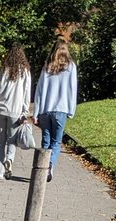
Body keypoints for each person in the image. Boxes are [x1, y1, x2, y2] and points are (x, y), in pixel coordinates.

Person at [0, 44, 31, 180]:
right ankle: (9, 159)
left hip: (1, 111)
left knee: (0, 142)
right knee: (12, 140)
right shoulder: (25, 72)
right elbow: (27, 94)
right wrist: (25, 112)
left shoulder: (4, 70)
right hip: (15, 111)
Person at [33, 40, 78, 182]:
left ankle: (42, 168)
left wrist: (36, 113)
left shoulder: (47, 67)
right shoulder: (71, 67)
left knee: (45, 141)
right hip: (61, 109)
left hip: (45, 109)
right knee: (56, 142)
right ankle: (50, 165)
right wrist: (71, 110)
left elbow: (39, 91)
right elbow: (72, 90)